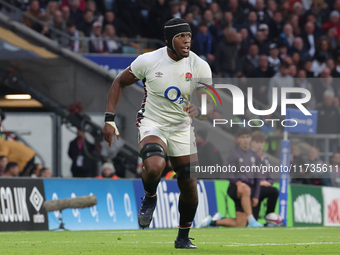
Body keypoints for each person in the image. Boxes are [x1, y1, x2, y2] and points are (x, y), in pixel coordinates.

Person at [102, 18, 213, 249]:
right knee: (154, 165)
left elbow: (209, 104)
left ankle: (183, 237)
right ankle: (150, 197)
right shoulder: (149, 60)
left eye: (189, 36)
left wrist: (200, 109)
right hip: (152, 123)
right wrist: (109, 119)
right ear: (169, 40)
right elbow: (119, 81)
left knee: (190, 187)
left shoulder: (199, 66)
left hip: (182, 128)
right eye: (181, 36)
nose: (187, 41)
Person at [197, 128, 263, 228]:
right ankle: (251, 219)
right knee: (246, 188)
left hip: (248, 192)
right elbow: (229, 174)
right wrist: (238, 183)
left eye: (247, 137)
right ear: (238, 139)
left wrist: (256, 196)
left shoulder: (255, 156)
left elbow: (258, 178)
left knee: (240, 224)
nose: (245, 140)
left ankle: (212, 222)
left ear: (251, 139)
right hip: (235, 188)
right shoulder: (234, 154)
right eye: (243, 137)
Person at [250, 131, 279, 221]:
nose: (259, 145)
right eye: (257, 142)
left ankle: (269, 217)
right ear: (252, 143)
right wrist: (259, 182)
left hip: (263, 189)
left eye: (261, 142)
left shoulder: (265, 159)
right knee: (253, 219)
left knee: (274, 191)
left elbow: (270, 177)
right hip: (252, 189)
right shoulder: (248, 157)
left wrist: (268, 182)